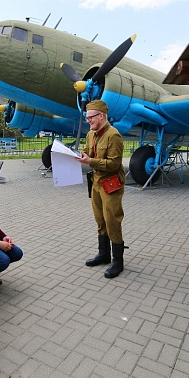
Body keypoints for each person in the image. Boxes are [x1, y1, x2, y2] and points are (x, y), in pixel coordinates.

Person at [76, 100, 126, 278]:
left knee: (112, 220)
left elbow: (114, 164)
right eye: (87, 117)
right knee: (100, 219)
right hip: (96, 182)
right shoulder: (91, 134)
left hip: (111, 183)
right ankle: (103, 254)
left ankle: (118, 262)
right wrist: (80, 155)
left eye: (91, 117)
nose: (88, 120)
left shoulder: (114, 135)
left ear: (101, 116)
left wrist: (91, 161)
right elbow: (88, 150)